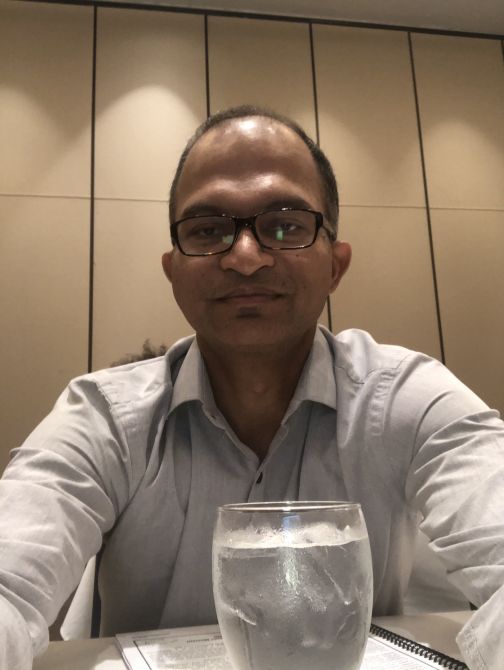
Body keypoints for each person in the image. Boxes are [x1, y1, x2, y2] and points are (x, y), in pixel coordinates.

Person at [1, 105, 503, 670]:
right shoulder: (103, 417)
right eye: (208, 230)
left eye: (285, 225)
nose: (243, 258)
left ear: (335, 266)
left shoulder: (409, 399)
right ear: (173, 272)